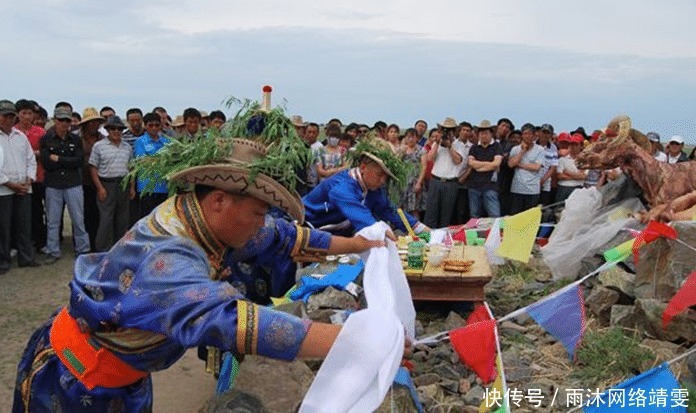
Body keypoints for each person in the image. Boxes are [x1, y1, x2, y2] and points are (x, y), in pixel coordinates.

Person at [12, 130, 399, 411]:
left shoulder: (217, 221)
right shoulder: (166, 256)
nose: (262, 223)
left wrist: (363, 244)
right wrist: (362, 340)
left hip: (126, 377)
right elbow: (232, 322)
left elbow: (287, 238)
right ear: (219, 201)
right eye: (258, 213)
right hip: (75, 381)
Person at [304, 137, 429, 236]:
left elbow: (393, 213)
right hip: (309, 232)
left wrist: (428, 233)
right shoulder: (343, 187)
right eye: (380, 174)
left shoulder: (373, 190)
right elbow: (367, 224)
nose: (383, 181)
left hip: (335, 237)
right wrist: (387, 237)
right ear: (363, 167)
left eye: (386, 177)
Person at [40, 107, 92, 264]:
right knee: (53, 220)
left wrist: (59, 159)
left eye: (67, 120)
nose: (64, 123)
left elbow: (79, 161)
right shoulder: (46, 139)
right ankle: (53, 250)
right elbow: (47, 162)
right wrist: (65, 161)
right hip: (53, 184)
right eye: (61, 120)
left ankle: (83, 249)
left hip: (73, 184)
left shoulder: (75, 139)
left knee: (78, 219)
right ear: (55, 120)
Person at [0, 100, 39, 275]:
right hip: (4, 189)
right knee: (3, 227)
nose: (8, 119)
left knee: (24, 226)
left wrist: (29, 179)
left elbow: (31, 159)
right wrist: (10, 183)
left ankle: (26, 258)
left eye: (10, 116)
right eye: (4, 116)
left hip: (24, 188)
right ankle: (3, 261)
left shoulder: (20, 136)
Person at [88, 116, 135, 252]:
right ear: (108, 130)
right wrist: (100, 188)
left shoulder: (127, 147)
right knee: (106, 219)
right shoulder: (99, 146)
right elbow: (93, 168)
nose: (116, 131)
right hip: (106, 184)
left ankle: (120, 248)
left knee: (123, 219)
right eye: (113, 128)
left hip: (123, 184)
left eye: (119, 129)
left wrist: (131, 187)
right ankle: (103, 249)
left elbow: (132, 168)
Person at [424, 117, 465, 228]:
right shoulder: (436, 144)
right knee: (431, 212)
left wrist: (449, 146)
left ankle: (443, 239)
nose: (447, 132)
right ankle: (428, 237)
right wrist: (437, 143)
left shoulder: (460, 145)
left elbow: (457, 161)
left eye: (450, 130)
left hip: (450, 183)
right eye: (444, 129)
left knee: (446, 214)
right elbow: (430, 158)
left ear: (455, 131)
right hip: (436, 180)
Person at [134, 112, 170, 217]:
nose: (154, 128)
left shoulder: (167, 141)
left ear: (161, 125)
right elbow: (143, 161)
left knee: (162, 218)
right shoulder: (140, 142)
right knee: (147, 218)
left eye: (157, 125)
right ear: (145, 126)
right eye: (150, 125)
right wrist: (162, 160)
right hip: (147, 187)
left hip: (164, 187)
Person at [467, 120, 503, 218]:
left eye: (486, 133)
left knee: (495, 215)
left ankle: (496, 233)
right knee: (474, 216)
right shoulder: (474, 148)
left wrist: (479, 166)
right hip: (474, 186)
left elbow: (496, 163)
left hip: (490, 186)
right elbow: (471, 163)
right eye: (481, 133)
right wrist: (489, 164)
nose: (483, 136)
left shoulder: (497, 146)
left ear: (491, 133)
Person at [507, 123, 544, 214]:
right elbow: (511, 164)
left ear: (534, 135)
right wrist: (522, 151)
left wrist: (520, 165)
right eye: (524, 134)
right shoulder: (515, 149)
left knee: (529, 217)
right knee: (515, 216)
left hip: (532, 189)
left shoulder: (540, 149)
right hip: (517, 188)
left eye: (529, 133)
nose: (527, 136)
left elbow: (536, 167)